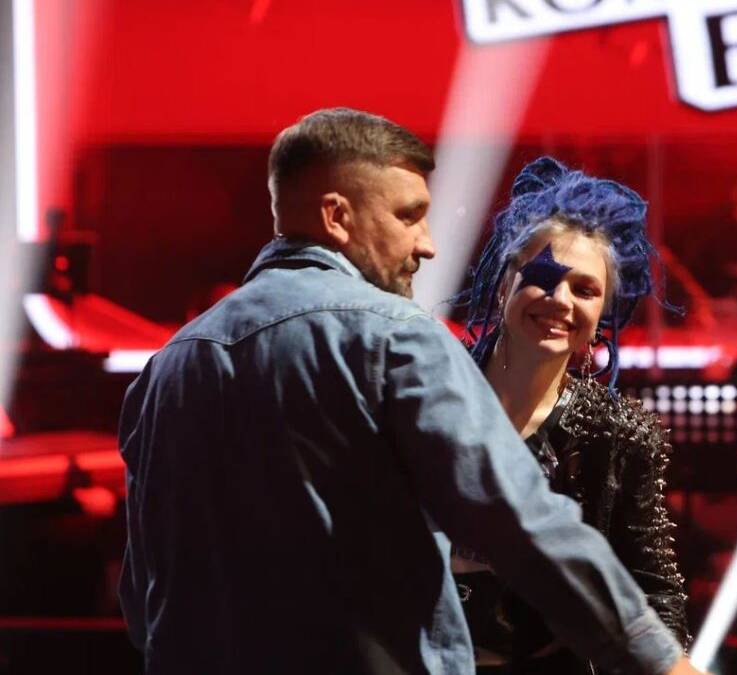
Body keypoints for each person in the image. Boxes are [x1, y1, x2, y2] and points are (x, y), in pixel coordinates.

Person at [117, 108, 703, 675]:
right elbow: (519, 519)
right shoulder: (394, 338)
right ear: (336, 216)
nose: (428, 244)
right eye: (408, 216)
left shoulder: (170, 366)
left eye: (587, 290)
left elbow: (146, 594)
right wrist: (659, 661)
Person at [451, 157, 689, 673]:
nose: (560, 300)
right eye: (542, 278)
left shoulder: (617, 433)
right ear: (503, 285)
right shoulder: (430, 391)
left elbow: (652, 587)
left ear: (602, 314)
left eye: (584, 290)